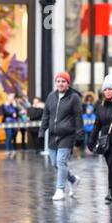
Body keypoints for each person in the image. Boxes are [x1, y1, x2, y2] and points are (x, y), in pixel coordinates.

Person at [39, 71, 83, 201]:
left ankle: (60, 189)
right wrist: (42, 131)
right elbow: (46, 115)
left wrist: (79, 134)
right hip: (53, 135)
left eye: (63, 81)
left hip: (67, 135)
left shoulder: (74, 97)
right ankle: (73, 179)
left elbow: (78, 117)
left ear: (68, 84)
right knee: (55, 163)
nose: (60, 83)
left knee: (61, 161)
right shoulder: (51, 96)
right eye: (58, 81)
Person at [88, 75, 112, 202]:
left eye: (110, 89)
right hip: (106, 142)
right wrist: (91, 140)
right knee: (111, 167)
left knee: (111, 163)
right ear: (103, 91)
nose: (108, 92)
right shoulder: (100, 106)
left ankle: (111, 191)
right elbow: (97, 125)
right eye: (105, 89)